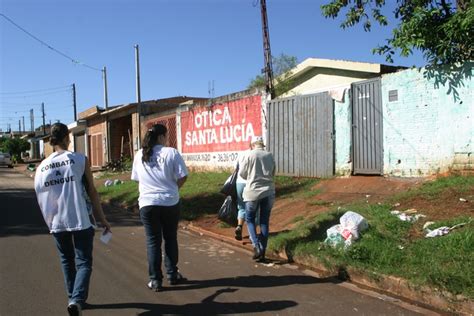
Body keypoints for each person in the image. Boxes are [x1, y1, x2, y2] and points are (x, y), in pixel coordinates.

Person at [34, 123, 111, 316]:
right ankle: (76, 299)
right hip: (80, 218)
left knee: (67, 261)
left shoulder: (42, 167)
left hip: (57, 221)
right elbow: (92, 192)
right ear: (67, 138)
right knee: (83, 262)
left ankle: (73, 299)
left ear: (51, 140)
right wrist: (102, 219)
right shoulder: (79, 159)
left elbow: (41, 195)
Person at [131, 124, 188, 292]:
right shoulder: (171, 153)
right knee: (170, 238)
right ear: (162, 136)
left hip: (148, 204)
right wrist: (173, 189)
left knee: (153, 241)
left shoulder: (139, 155)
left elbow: (136, 179)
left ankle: (155, 280)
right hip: (170, 202)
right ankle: (172, 274)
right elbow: (183, 176)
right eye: (166, 136)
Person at [239, 135, 275, 262]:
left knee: (250, 219)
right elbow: (273, 172)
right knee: (264, 221)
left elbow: (242, 174)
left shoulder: (248, 155)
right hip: (268, 191)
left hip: (252, 192)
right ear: (262, 145)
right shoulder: (269, 155)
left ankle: (256, 246)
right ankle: (263, 251)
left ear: (253, 144)